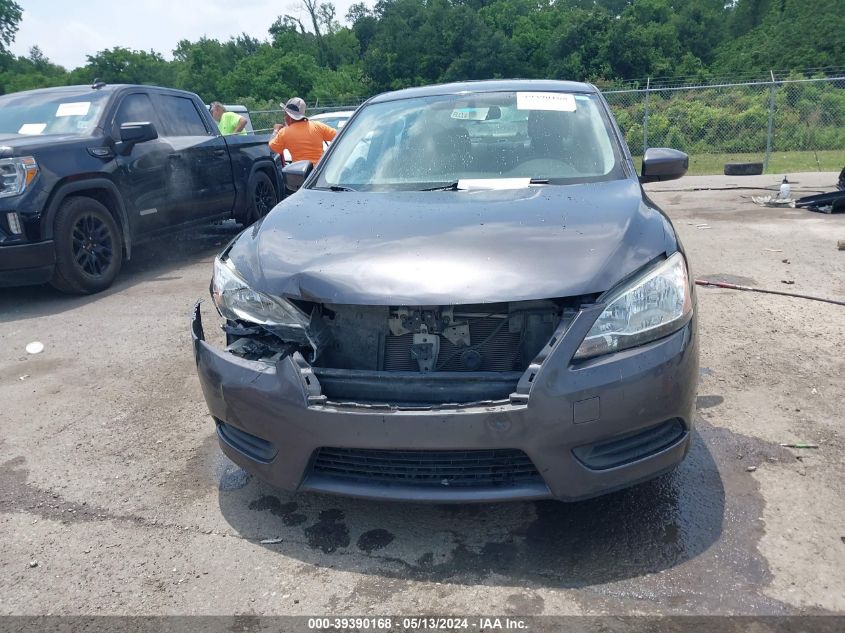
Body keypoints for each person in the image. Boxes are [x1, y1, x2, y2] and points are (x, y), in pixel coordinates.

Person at [269, 97, 337, 165]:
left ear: (289, 117)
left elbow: (272, 148)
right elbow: (338, 136)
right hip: (320, 171)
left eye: (285, 115)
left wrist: (275, 130)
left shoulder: (284, 132)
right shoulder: (318, 126)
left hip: (300, 173)